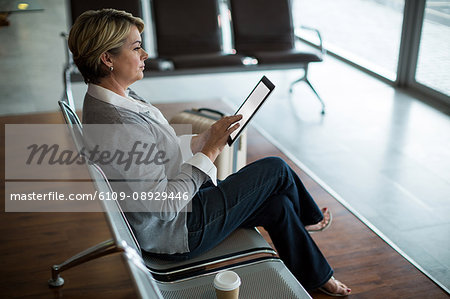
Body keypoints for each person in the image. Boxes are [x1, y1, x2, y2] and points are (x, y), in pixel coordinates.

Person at [68, 9, 351, 296]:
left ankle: (316, 276)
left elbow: (155, 152)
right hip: (178, 231)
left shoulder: (110, 98)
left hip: (180, 213)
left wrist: (203, 139)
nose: (145, 55)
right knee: (275, 169)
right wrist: (211, 150)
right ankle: (311, 219)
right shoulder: (119, 124)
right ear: (107, 58)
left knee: (277, 205)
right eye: (137, 47)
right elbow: (164, 208)